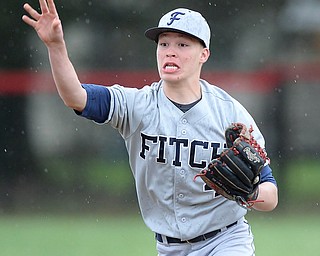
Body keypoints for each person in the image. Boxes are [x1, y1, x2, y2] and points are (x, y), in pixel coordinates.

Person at [22, 1, 278, 255]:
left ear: (204, 54)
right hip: (168, 248)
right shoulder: (136, 106)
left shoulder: (230, 114)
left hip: (226, 241)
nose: (170, 51)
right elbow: (75, 97)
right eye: (164, 43)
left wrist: (251, 192)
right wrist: (56, 46)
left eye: (182, 44)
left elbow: (271, 194)